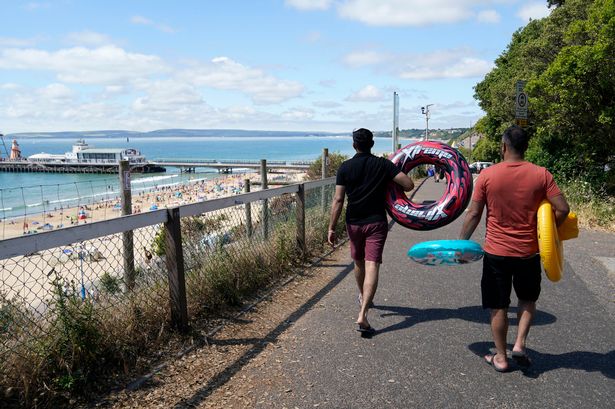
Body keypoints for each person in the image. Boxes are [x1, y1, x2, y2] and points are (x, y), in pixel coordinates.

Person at [459, 125, 569, 372]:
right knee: (527, 299)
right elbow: (562, 209)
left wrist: (462, 242)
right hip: (528, 252)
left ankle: (500, 357)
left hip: (496, 253)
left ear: (503, 146)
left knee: (498, 305)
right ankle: (519, 344)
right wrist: (549, 235)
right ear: (526, 147)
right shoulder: (542, 174)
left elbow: (474, 213)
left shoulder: (488, 175)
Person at [328, 128, 414, 334]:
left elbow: (338, 199)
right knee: (372, 264)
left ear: (354, 145)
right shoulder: (383, 165)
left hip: (353, 222)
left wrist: (331, 227)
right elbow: (409, 184)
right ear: (372, 144)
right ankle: (363, 313)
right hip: (376, 221)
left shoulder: (345, 167)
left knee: (358, 262)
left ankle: (362, 296)